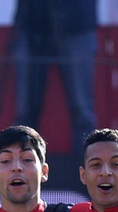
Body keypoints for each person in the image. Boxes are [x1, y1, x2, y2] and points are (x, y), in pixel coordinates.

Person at [12, 0, 97, 154]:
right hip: (31, 20)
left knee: (82, 109)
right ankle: (22, 167)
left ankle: (89, 168)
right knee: (25, 111)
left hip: (76, 21)